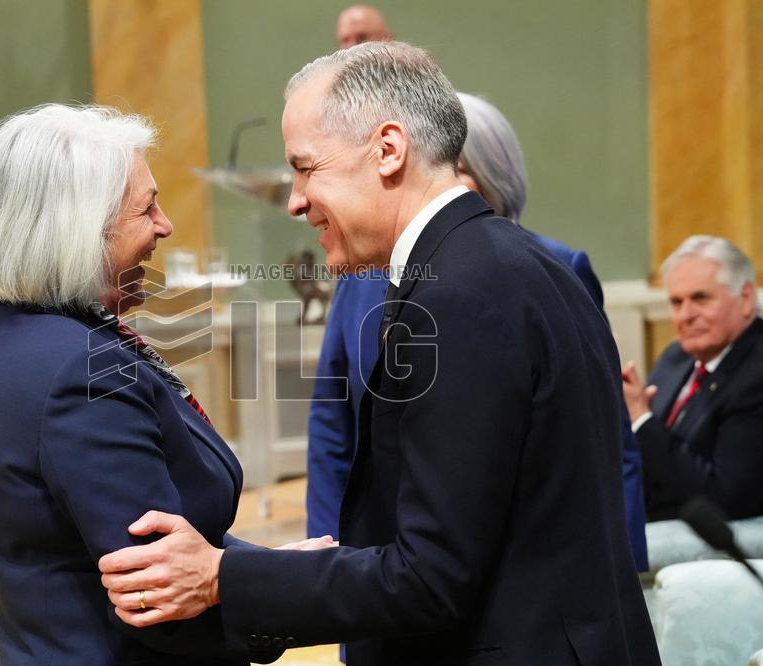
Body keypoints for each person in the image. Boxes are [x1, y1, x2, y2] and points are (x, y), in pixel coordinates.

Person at [100, 43, 659, 665]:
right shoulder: (506, 262)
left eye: (305, 168)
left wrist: (221, 578)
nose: (294, 199)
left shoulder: (462, 295)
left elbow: (431, 576)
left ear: (388, 150)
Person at [0, 104, 290, 665]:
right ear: (80, 230)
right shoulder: (79, 371)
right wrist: (296, 593)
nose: (165, 224)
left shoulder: (9, 331)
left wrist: (265, 567)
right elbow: (157, 600)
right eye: (147, 207)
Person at [307, 91, 650, 570]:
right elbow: (332, 424)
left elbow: (604, 435)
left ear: (494, 179)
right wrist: (328, 559)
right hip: (378, 572)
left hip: (514, 566)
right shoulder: (361, 274)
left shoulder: (557, 266)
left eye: (456, 173)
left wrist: (625, 565)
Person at [622, 235, 763, 521]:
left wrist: (640, 418)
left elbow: (725, 497)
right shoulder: (678, 356)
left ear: (746, 298)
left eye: (700, 298)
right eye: (676, 302)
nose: (685, 315)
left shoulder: (756, 373)